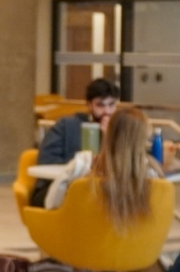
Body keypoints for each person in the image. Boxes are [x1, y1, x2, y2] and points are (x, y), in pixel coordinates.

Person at [44, 107, 163, 220]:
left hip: (85, 238)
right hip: (138, 240)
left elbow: (51, 203)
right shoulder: (153, 175)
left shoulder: (83, 165)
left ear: (109, 134)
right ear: (144, 140)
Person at [29, 78, 120, 207]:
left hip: (100, 192)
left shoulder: (120, 132)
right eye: (100, 105)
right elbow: (47, 161)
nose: (107, 112)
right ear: (89, 105)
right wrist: (80, 166)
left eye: (111, 105)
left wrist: (108, 137)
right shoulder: (66, 126)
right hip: (55, 189)